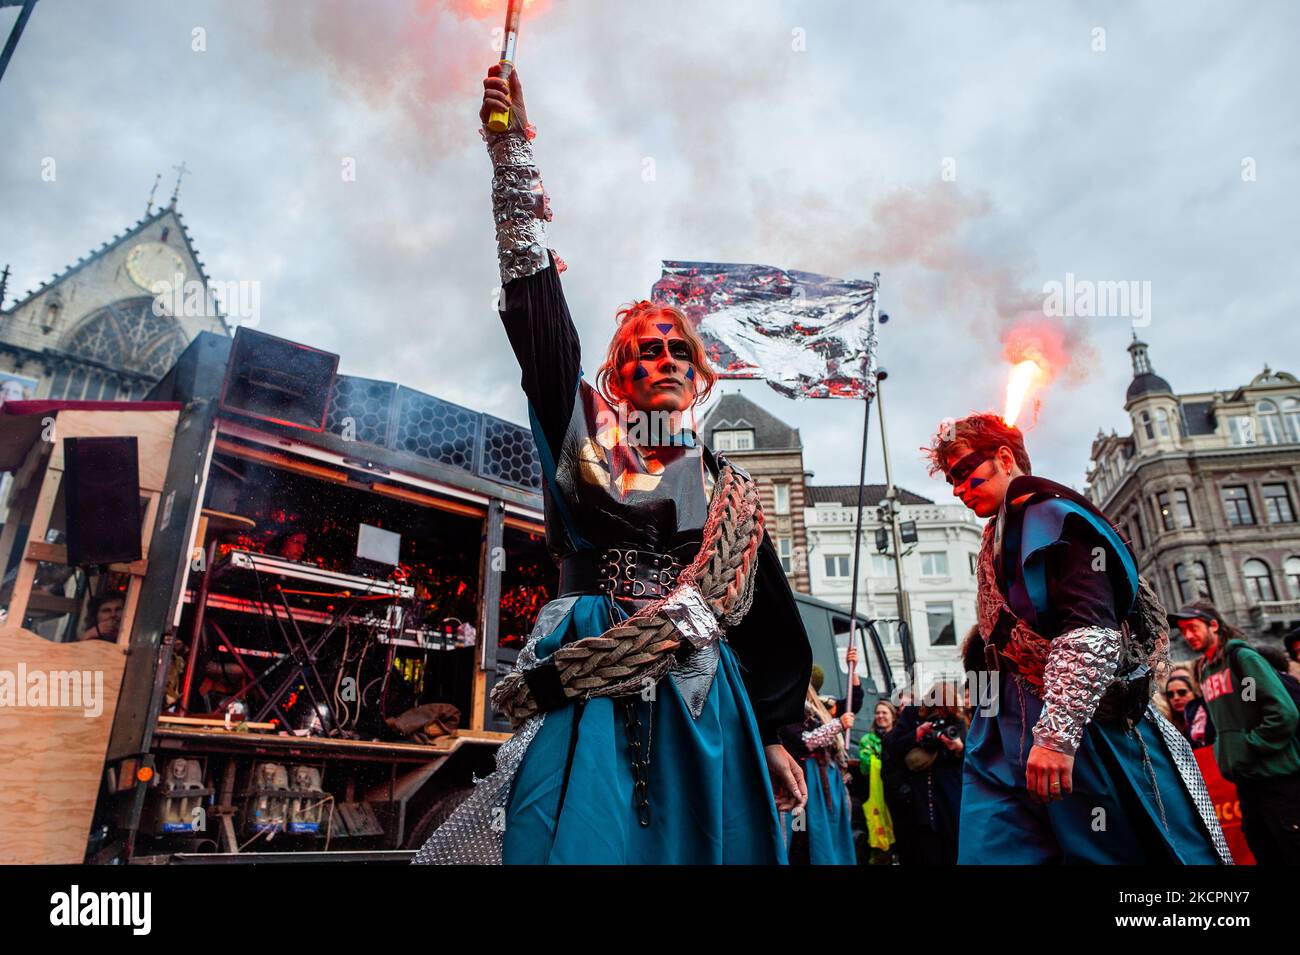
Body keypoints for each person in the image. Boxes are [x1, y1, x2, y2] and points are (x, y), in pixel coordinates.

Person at [414, 65, 811, 865]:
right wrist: (511, 154)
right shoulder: (582, 432)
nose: (662, 357)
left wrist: (774, 733)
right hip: (591, 671)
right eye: (643, 349)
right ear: (617, 373)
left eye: (676, 349)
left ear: (697, 376)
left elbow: (767, 614)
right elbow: (538, 318)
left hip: (704, 696)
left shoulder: (729, 489)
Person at [924, 412, 1229, 864]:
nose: (958, 489)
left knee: (1111, 852)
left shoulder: (1053, 516)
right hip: (1007, 728)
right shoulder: (1001, 531)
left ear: (1004, 458)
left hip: (1076, 726)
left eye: (966, 472)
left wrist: (1056, 737)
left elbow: (1091, 630)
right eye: (951, 479)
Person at [1171, 599, 1300, 864]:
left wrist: (1250, 745)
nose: (1188, 635)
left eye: (1193, 627)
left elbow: (1281, 712)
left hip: (1277, 782)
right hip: (1247, 785)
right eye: (1183, 630)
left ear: (1214, 625)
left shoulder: (1242, 658)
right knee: (1265, 852)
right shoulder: (1206, 670)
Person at [885, 680, 966, 865]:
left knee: (951, 850)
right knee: (921, 851)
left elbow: (970, 757)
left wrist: (959, 747)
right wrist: (917, 733)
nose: (940, 714)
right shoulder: (912, 715)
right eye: (936, 709)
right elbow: (892, 746)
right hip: (916, 801)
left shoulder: (956, 722)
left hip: (948, 800)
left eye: (944, 710)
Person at [779, 676, 858, 865]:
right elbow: (805, 741)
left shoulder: (819, 707)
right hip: (807, 779)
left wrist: (852, 672)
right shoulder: (786, 708)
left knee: (830, 828)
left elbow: (852, 703)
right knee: (803, 832)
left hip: (826, 780)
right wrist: (838, 725)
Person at [859, 699, 898, 863]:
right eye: (878, 713)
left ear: (893, 716)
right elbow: (865, 765)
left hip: (897, 793)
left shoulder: (900, 737)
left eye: (884, 713)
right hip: (877, 794)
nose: (880, 716)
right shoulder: (868, 740)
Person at [1164, 673, 1215, 750]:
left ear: (1194, 692)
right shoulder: (1167, 724)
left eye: (1182, 692)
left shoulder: (1207, 715)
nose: (1176, 698)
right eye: (1170, 694)